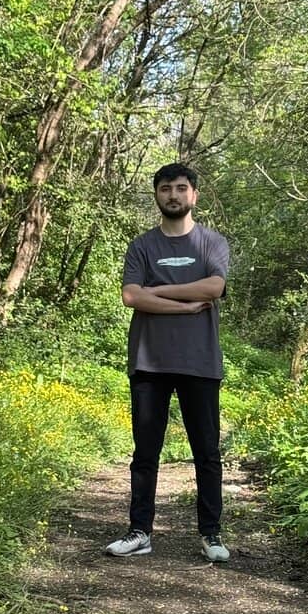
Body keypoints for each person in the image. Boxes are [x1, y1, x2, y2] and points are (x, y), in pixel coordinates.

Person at [105, 162, 230, 563]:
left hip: (200, 362)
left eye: (180, 188)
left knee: (206, 452)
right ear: (157, 195)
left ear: (194, 194)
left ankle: (211, 534)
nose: (173, 195)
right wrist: (184, 306)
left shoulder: (213, 243)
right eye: (165, 189)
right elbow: (131, 297)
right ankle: (140, 531)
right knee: (145, 452)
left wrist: (158, 292)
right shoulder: (141, 246)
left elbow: (215, 286)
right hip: (149, 362)